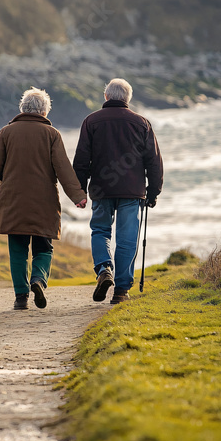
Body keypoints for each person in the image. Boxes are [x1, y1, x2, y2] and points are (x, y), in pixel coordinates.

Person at [0, 87, 88, 310]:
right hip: (44, 202)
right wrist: (78, 196)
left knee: (18, 250)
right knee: (44, 247)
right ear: (44, 111)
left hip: (13, 201)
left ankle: (21, 297)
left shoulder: (6, 133)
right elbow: (63, 169)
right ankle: (38, 280)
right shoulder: (52, 135)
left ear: (23, 108)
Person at [72, 78, 163, 305]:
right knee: (127, 239)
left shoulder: (91, 121)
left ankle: (104, 268)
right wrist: (153, 192)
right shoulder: (142, 123)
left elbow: (81, 160)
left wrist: (79, 191)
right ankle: (121, 290)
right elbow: (154, 162)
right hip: (132, 191)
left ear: (106, 97)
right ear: (128, 99)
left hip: (101, 189)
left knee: (100, 231)